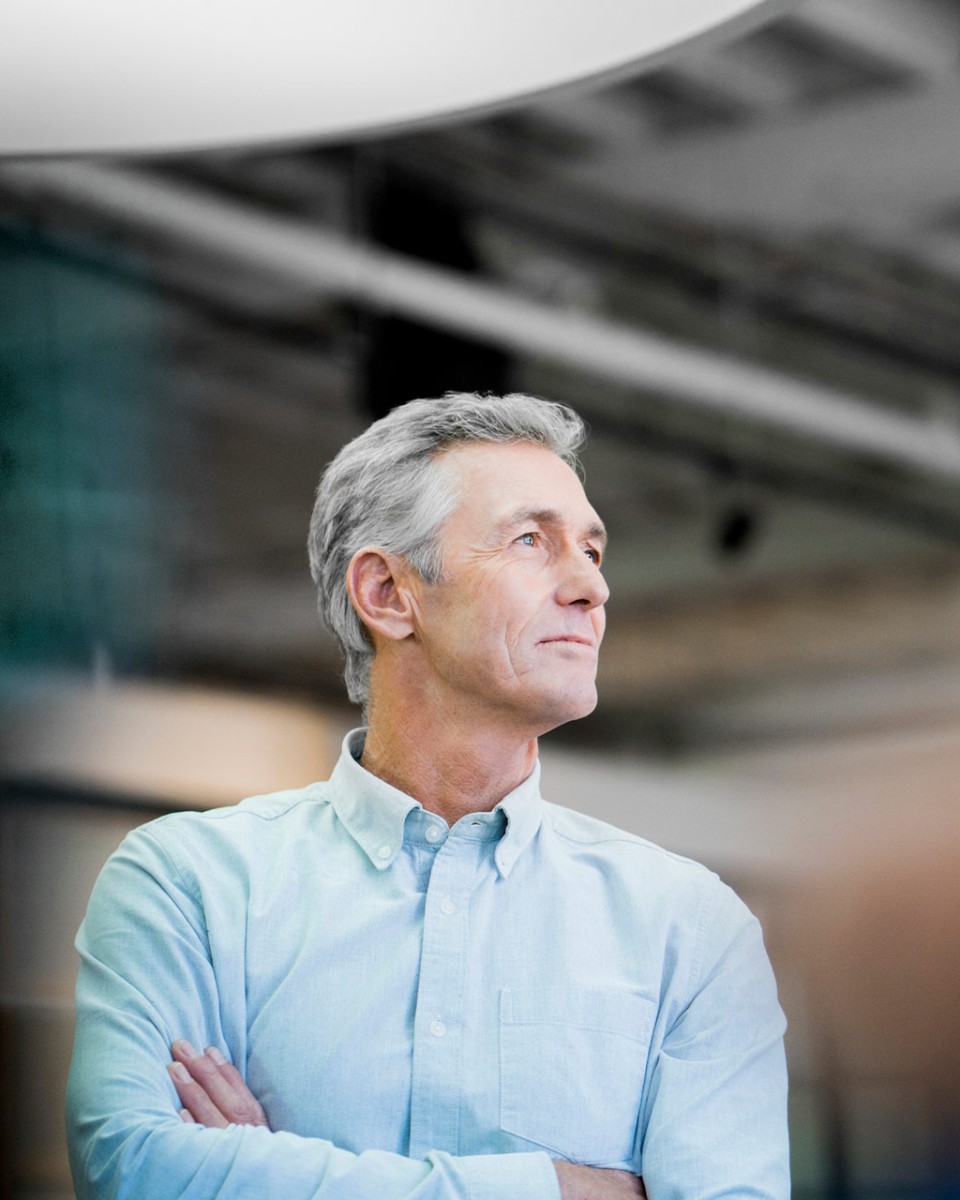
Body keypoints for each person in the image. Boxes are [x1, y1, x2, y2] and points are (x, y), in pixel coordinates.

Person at [67, 392, 789, 1200]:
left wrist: (260, 1172)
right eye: (531, 541)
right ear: (386, 593)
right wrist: (562, 1189)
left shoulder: (690, 928)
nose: (592, 588)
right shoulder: (188, 885)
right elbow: (134, 1171)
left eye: (593, 551)